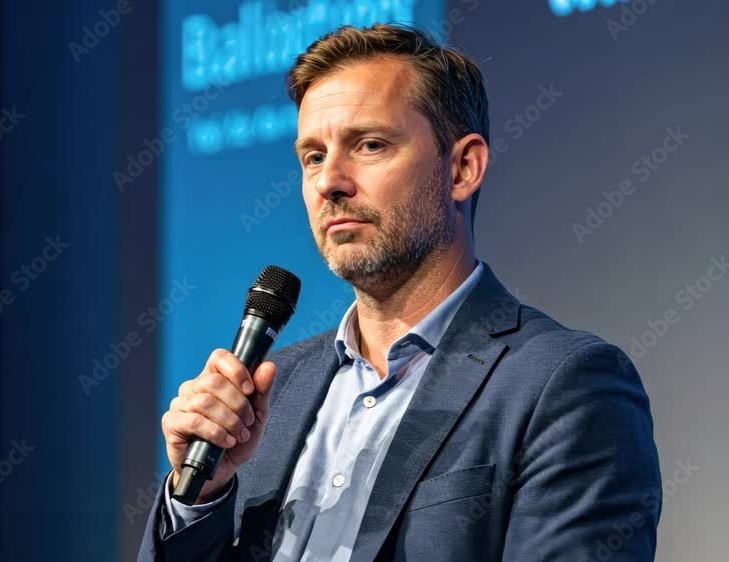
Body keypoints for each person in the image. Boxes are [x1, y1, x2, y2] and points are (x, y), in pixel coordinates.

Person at [138, 23, 661, 561]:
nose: (329, 182)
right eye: (313, 157)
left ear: (463, 168)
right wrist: (200, 496)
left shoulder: (564, 384)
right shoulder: (273, 390)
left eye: (369, 145)